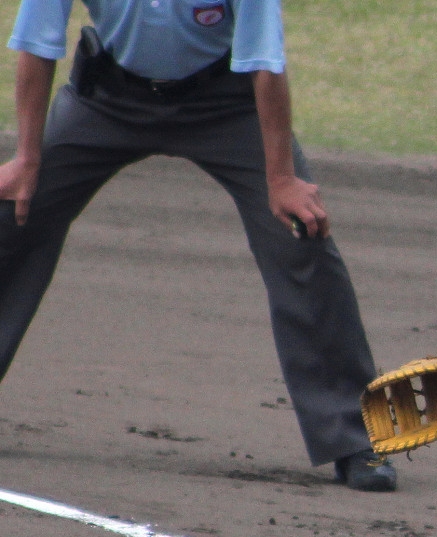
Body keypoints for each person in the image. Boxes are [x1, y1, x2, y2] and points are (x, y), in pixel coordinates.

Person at [0, 1, 395, 491]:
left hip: (225, 104)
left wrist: (281, 179)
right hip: (106, 99)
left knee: (301, 238)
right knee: (11, 213)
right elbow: (37, 45)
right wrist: (27, 159)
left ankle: (355, 440)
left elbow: (265, 64)